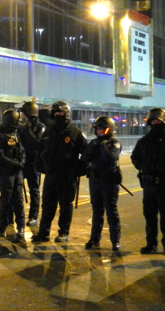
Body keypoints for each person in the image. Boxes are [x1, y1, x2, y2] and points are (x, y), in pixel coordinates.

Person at [31, 101, 87, 242]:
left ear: (66, 114)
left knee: (65, 206)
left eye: (61, 112)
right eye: (56, 113)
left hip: (67, 177)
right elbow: (41, 150)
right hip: (51, 175)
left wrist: (79, 169)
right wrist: (40, 165)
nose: (58, 115)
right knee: (48, 205)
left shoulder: (75, 133)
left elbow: (86, 155)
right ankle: (44, 232)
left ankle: (63, 232)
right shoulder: (49, 131)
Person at [82, 116, 122, 251]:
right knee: (97, 211)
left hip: (109, 181)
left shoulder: (113, 143)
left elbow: (110, 158)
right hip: (95, 180)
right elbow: (85, 157)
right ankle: (94, 239)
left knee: (111, 211)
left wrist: (103, 144)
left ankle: (115, 240)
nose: (99, 131)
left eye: (102, 129)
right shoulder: (94, 143)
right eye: (97, 129)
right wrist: (95, 145)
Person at [131, 108, 165, 254]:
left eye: (158, 120)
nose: (155, 123)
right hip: (149, 186)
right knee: (150, 217)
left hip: (164, 185)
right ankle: (151, 244)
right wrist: (144, 169)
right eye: (152, 121)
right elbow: (135, 157)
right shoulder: (144, 141)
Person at [0, 109, 26, 239]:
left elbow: (22, 150)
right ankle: (1, 227)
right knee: (5, 199)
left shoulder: (17, 134)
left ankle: (21, 228)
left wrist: (22, 162)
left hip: (17, 172)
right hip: (6, 172)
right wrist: (17, 164)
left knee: (19, 200)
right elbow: (0, 156)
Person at [17, 100, 45, 226]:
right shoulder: (20, 127)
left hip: (33, 162)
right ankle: (17, 215)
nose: (21, 115)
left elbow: (38, 143)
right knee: (16, 189)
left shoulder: (40, 127)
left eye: (23, 113)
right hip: (21, 162)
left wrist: (28, 130)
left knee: (34, 190)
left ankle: (33, 216)